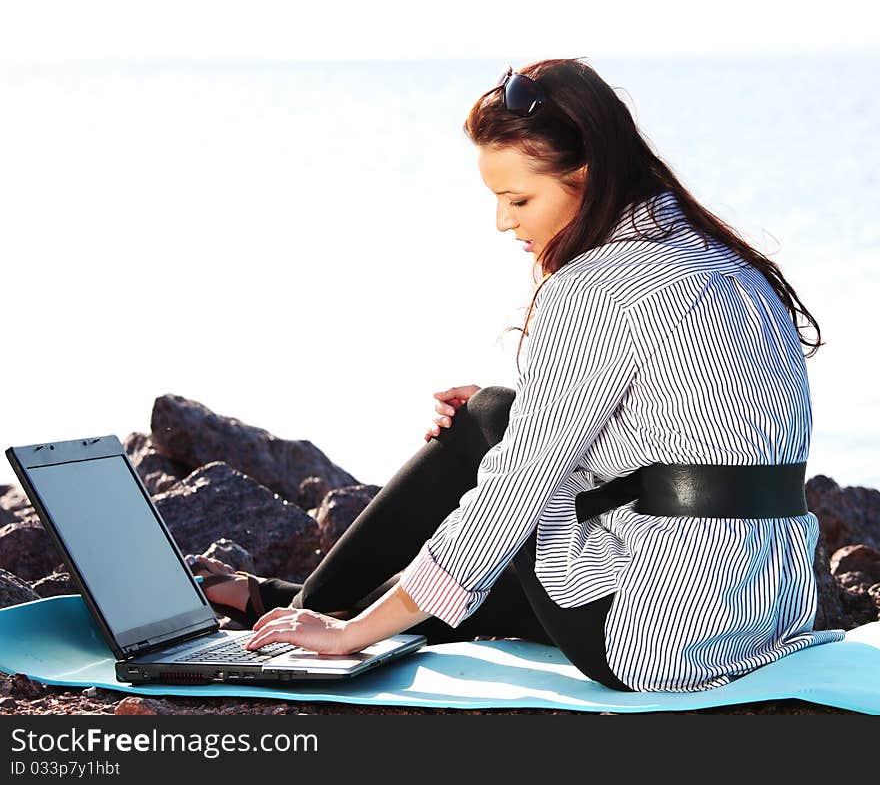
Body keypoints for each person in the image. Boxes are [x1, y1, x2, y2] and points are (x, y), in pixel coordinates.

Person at [186, 58, 846, 692]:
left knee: (484, 435)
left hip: (656, 633)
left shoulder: (595, 287)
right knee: (497, 439)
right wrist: (521, 409)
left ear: (587, 175)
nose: (504, 221)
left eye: (517, 198)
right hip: (759, 609)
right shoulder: (725, 261)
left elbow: (513, 492)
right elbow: (695, 443)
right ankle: (290, 608)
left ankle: (314, 617)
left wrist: (352, 635)